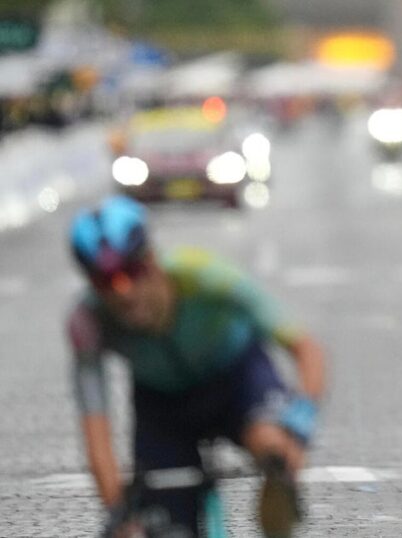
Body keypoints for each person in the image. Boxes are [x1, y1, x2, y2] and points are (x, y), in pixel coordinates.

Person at [67, 195, 326, 538]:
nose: (124, 292)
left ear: (151, 259)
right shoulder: (87, 322)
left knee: (275, 451)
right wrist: (118, 513)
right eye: (105, 282)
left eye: (132, 271)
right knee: (159, 528)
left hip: (237, 378)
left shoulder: (203, 275)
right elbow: (95, 430)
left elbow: (305, 348)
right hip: (163, 405)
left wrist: (302, 417)